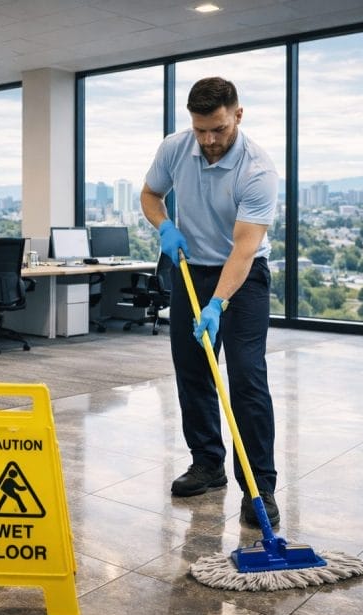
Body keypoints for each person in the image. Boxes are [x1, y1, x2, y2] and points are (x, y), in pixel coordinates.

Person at [140, 76, 281, 528]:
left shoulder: (257, 169)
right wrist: (164, 226)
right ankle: (207, 463)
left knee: (246, 376)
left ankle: (259, 486)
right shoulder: (175, 148)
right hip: (190, 269)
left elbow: (243, 250)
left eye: (218, 129)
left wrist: (217, 304)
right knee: (193, 370)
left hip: (242, 277)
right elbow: (150, 194)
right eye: (200, 129)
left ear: (237, 115)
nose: (208, 140)